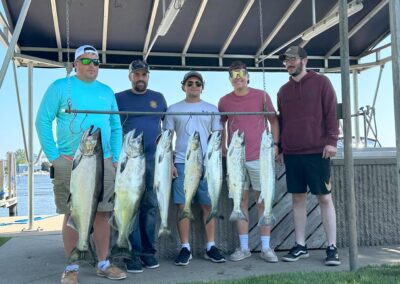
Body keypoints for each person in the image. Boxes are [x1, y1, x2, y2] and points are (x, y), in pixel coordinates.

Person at [35, 45, 126, 284]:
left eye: (96, 62)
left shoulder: (107, 92)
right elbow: (42, 121)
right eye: (86, 61)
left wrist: (115, 158)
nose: (92, 66)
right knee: (72, 214)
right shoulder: (59, 86)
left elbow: (116, 127)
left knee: (103, 214)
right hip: (69, 163)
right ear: (75, 64)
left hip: (104, 162)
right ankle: (71, 266)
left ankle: (103, 263)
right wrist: (53, 156)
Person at [277, 46, 340, 266]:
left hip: (318, 151)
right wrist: (281, 148)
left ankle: (332, 247)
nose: (289, 63)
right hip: (292, 153)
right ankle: (300, 245)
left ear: (305, 60)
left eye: (293, 59)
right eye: (286, 60)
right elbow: (283, 122)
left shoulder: (322, 83)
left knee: (324, 198)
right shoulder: (282, 92)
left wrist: (332, 141)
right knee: (297, 198)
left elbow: (332, 113)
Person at [218, 60, 280, 263]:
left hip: (259, 158)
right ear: (229, 80)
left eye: (241, 74)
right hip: (235, 159)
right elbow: (222, 124)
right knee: (240, 200)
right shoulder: (224, 100)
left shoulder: (262, 96)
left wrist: (276, 145)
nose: (238, 79)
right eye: (234, 75)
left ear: (248, 76)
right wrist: (223, 146)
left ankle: (265, 247)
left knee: (262, 200)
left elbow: (273, 120)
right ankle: (243, 248)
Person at [164, 71, 226, 266]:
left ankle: (210, 246)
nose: (193, 86)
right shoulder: (173, 109)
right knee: (183, 205)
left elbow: (217, 137)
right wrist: (170, 163)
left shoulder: (212, 109)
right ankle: (185, 248)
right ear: (183, 86)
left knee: (208, 205)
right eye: (189, 83)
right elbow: (167, 139)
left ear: (202, 87)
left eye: (197, 83)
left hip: (207, 165)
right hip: (182, 163)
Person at [115, 59, 167, 273]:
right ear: (130, 77)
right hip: (129, 163)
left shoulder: (158, 98)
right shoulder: (118, 98)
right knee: (131, 206)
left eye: (144, 74)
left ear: (148, 76)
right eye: (136, 74)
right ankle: (132, 253)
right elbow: (113, 128)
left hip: (155, 161)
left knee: (150, 206)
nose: (140, 78)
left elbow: (165, 128)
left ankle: (148, 252)